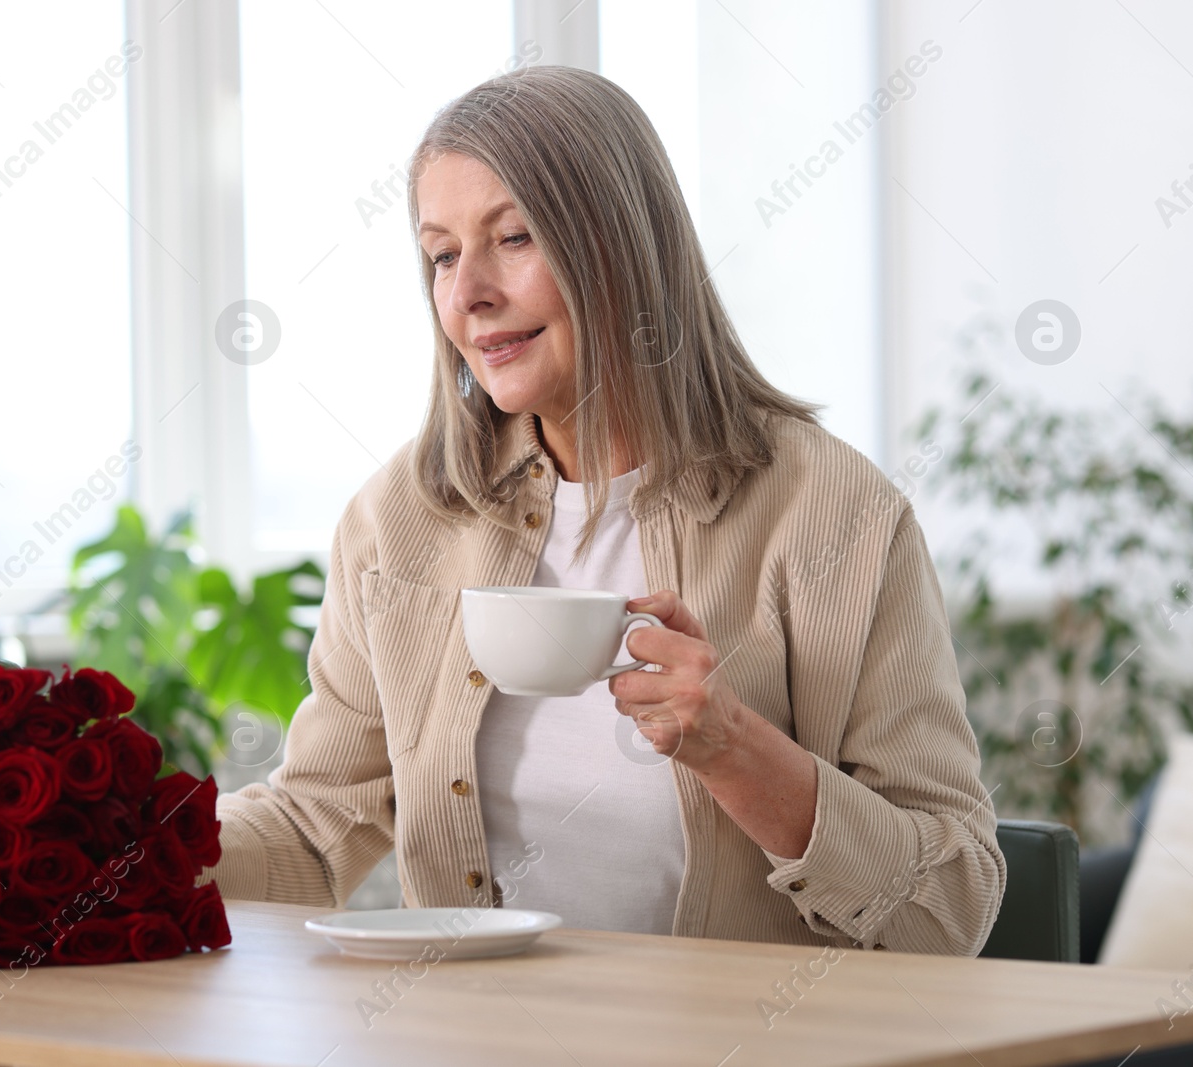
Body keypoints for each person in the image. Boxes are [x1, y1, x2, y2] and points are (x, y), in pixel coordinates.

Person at [198, 65, 1004, 954]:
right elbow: (317, 824)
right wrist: (126, 843)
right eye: (442, 254)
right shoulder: (399, 520)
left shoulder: (837, 516)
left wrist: (738, 749)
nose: (468, 296)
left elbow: (950, 911)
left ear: (621, 248)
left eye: (513, 237)